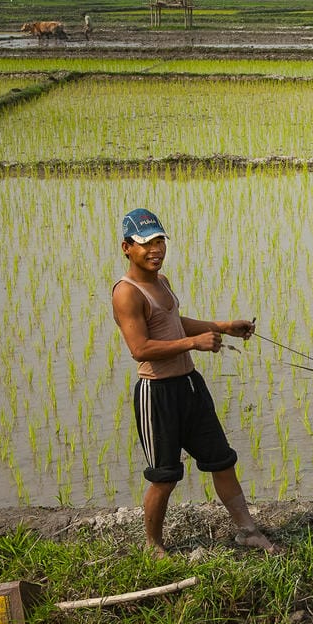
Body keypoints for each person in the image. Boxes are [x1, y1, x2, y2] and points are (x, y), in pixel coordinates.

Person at [112, 208, 275, 557]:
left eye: (159, 241)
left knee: (221, 460)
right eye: (145, 244)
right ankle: (153, 546)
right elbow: (139, 348)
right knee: (165, 476)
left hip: (189, 386)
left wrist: (221, 326)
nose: (155, 250)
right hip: (157, 395)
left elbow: (173, 323)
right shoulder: (127, 293)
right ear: (127, 247)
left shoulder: (161, 282)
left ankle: (247, 530)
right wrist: (193, 344)